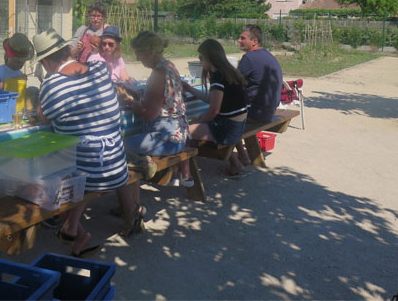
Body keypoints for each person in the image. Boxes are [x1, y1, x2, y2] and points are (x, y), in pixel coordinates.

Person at [34, 29, 143, 254]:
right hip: (115, 165)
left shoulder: (52, 85)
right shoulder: (100, 69)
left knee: (38, 172)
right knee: (81, 153)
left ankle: (64, 224)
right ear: (66, 50)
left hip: (88, 172)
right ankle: (73, 229)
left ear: (45, 61)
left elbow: (43, 117)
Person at [123, 31, 192, 187]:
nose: (137, 59)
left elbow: (149, 114)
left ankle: (133, 190)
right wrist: (135, 93)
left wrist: (129, 102)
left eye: (139, 54)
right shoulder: (169, 66)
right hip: (179, 134)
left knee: (118, 146)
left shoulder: (158, 74)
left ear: (149, 52)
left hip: (166, 139)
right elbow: (162, 99)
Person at [184, 39, 250, 176]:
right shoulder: (229, 72)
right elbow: (212, 99)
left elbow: (214, 110)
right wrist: (190, 89)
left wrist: (197, 122)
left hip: (228, 129)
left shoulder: (217, 76)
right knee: (199, 121)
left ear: (209, 57)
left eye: (201, 58)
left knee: (182, 131)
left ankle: (186, 174)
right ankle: (237, 163)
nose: (200, 61)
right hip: (238, 125)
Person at [237, 25, 283, 123]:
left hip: (255, 113)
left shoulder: (249, 57)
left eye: (242, 38)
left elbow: (231, 82)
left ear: (255, 41)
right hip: (269, 111)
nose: (238, 40)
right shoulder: (267, 54)